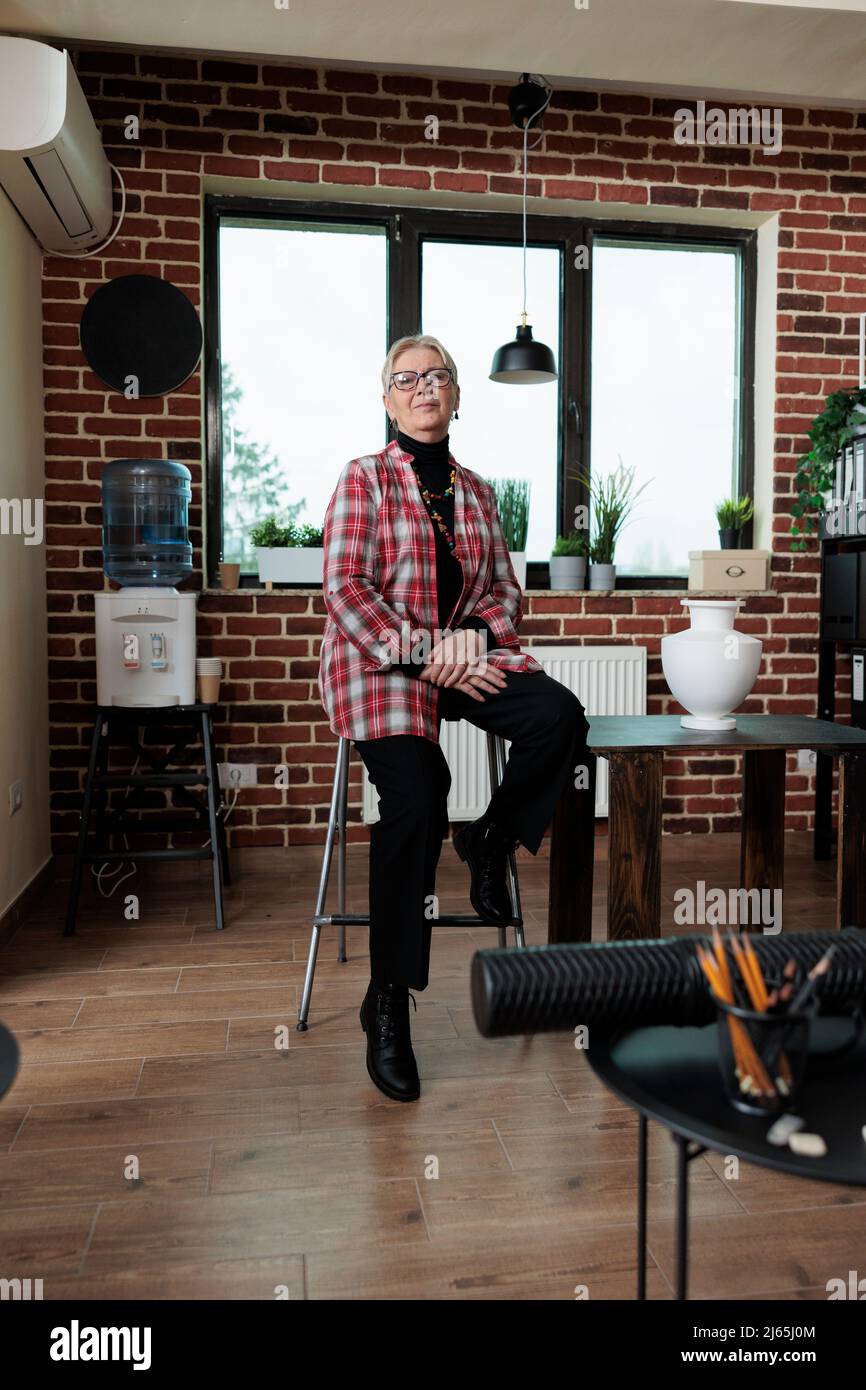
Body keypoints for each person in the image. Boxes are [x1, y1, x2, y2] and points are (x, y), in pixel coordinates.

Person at [318, 333, 591, 1102]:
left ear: (458, 395)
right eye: (407, 378)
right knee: (416, 795)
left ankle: (490, 839)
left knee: (559, 717)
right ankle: (387, 1003)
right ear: (387, 399)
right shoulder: (364, 478)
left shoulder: (477, 491)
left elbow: (505, 594)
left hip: (462, 661)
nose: (424, 387)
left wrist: (471, 640)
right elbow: (344, 588)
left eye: (438, 376)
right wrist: (425, 649)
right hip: (386, 667)